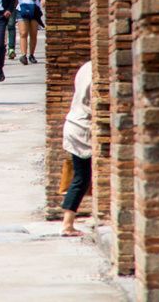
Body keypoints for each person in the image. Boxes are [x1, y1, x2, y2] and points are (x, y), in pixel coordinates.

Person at [61, 61, 93, 236]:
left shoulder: (85, 68)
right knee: (82, 178)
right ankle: (67, 224)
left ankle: (68, 220)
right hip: (84, 128)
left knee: (82, 177)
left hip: (73, 123)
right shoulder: (97, 73)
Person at [13, 0, 45, 65]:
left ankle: (31, 54)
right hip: (22, 8)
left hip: (34, 9)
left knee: (33, 33)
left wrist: (43, 0)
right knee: (23, 33)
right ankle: (23, 55)